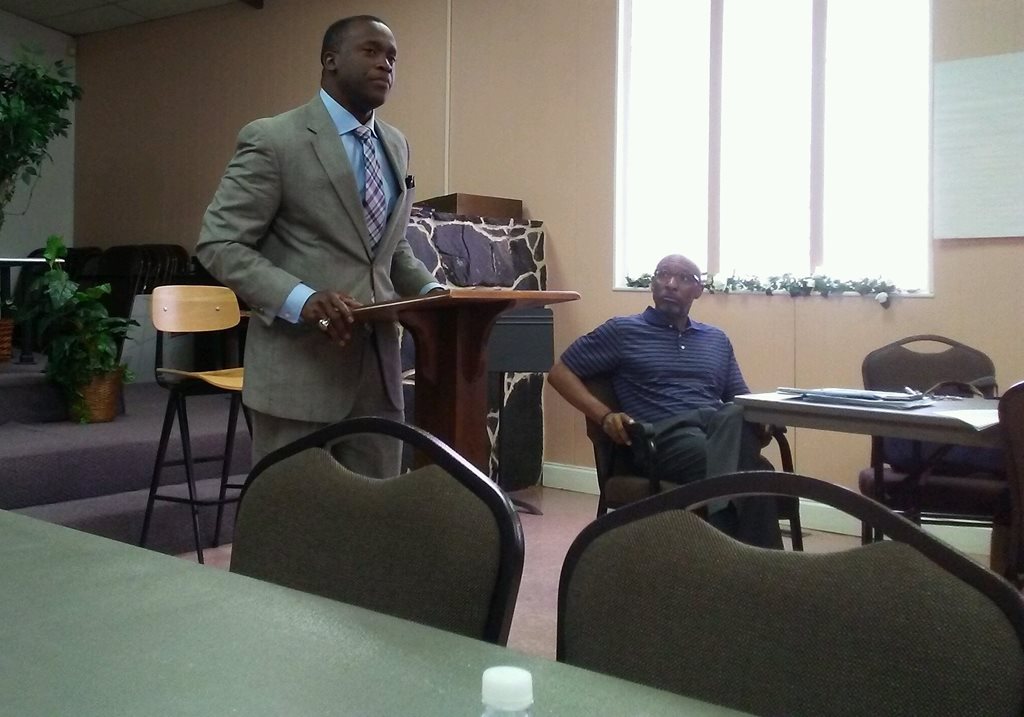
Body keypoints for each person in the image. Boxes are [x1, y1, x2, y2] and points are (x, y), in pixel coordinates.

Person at [196, 15, 442, 476]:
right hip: (300, 371)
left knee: (374, 522)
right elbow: (220, 243)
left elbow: (389, 248)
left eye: (392, 57)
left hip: (378, 377)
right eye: (370, 51)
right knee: (297, 525)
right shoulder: (274, 139)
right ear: (330, 60)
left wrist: (434, 297)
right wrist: (303, 299)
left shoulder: (396, 144)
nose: (385, 64)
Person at [547, 253, 782, 548]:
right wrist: (604, 416)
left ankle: (737, 560)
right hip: (663, 437)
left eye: (683, 278)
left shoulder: (716, 340)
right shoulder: (622, 331)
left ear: (699, 290)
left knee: (737, 417)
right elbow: (559, 373)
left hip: (716, 428)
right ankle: (763, 571)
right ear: (652, 284)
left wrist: (765, 418)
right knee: (758, 474)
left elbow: (740, 399)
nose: (670, 284)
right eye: (663, 275)